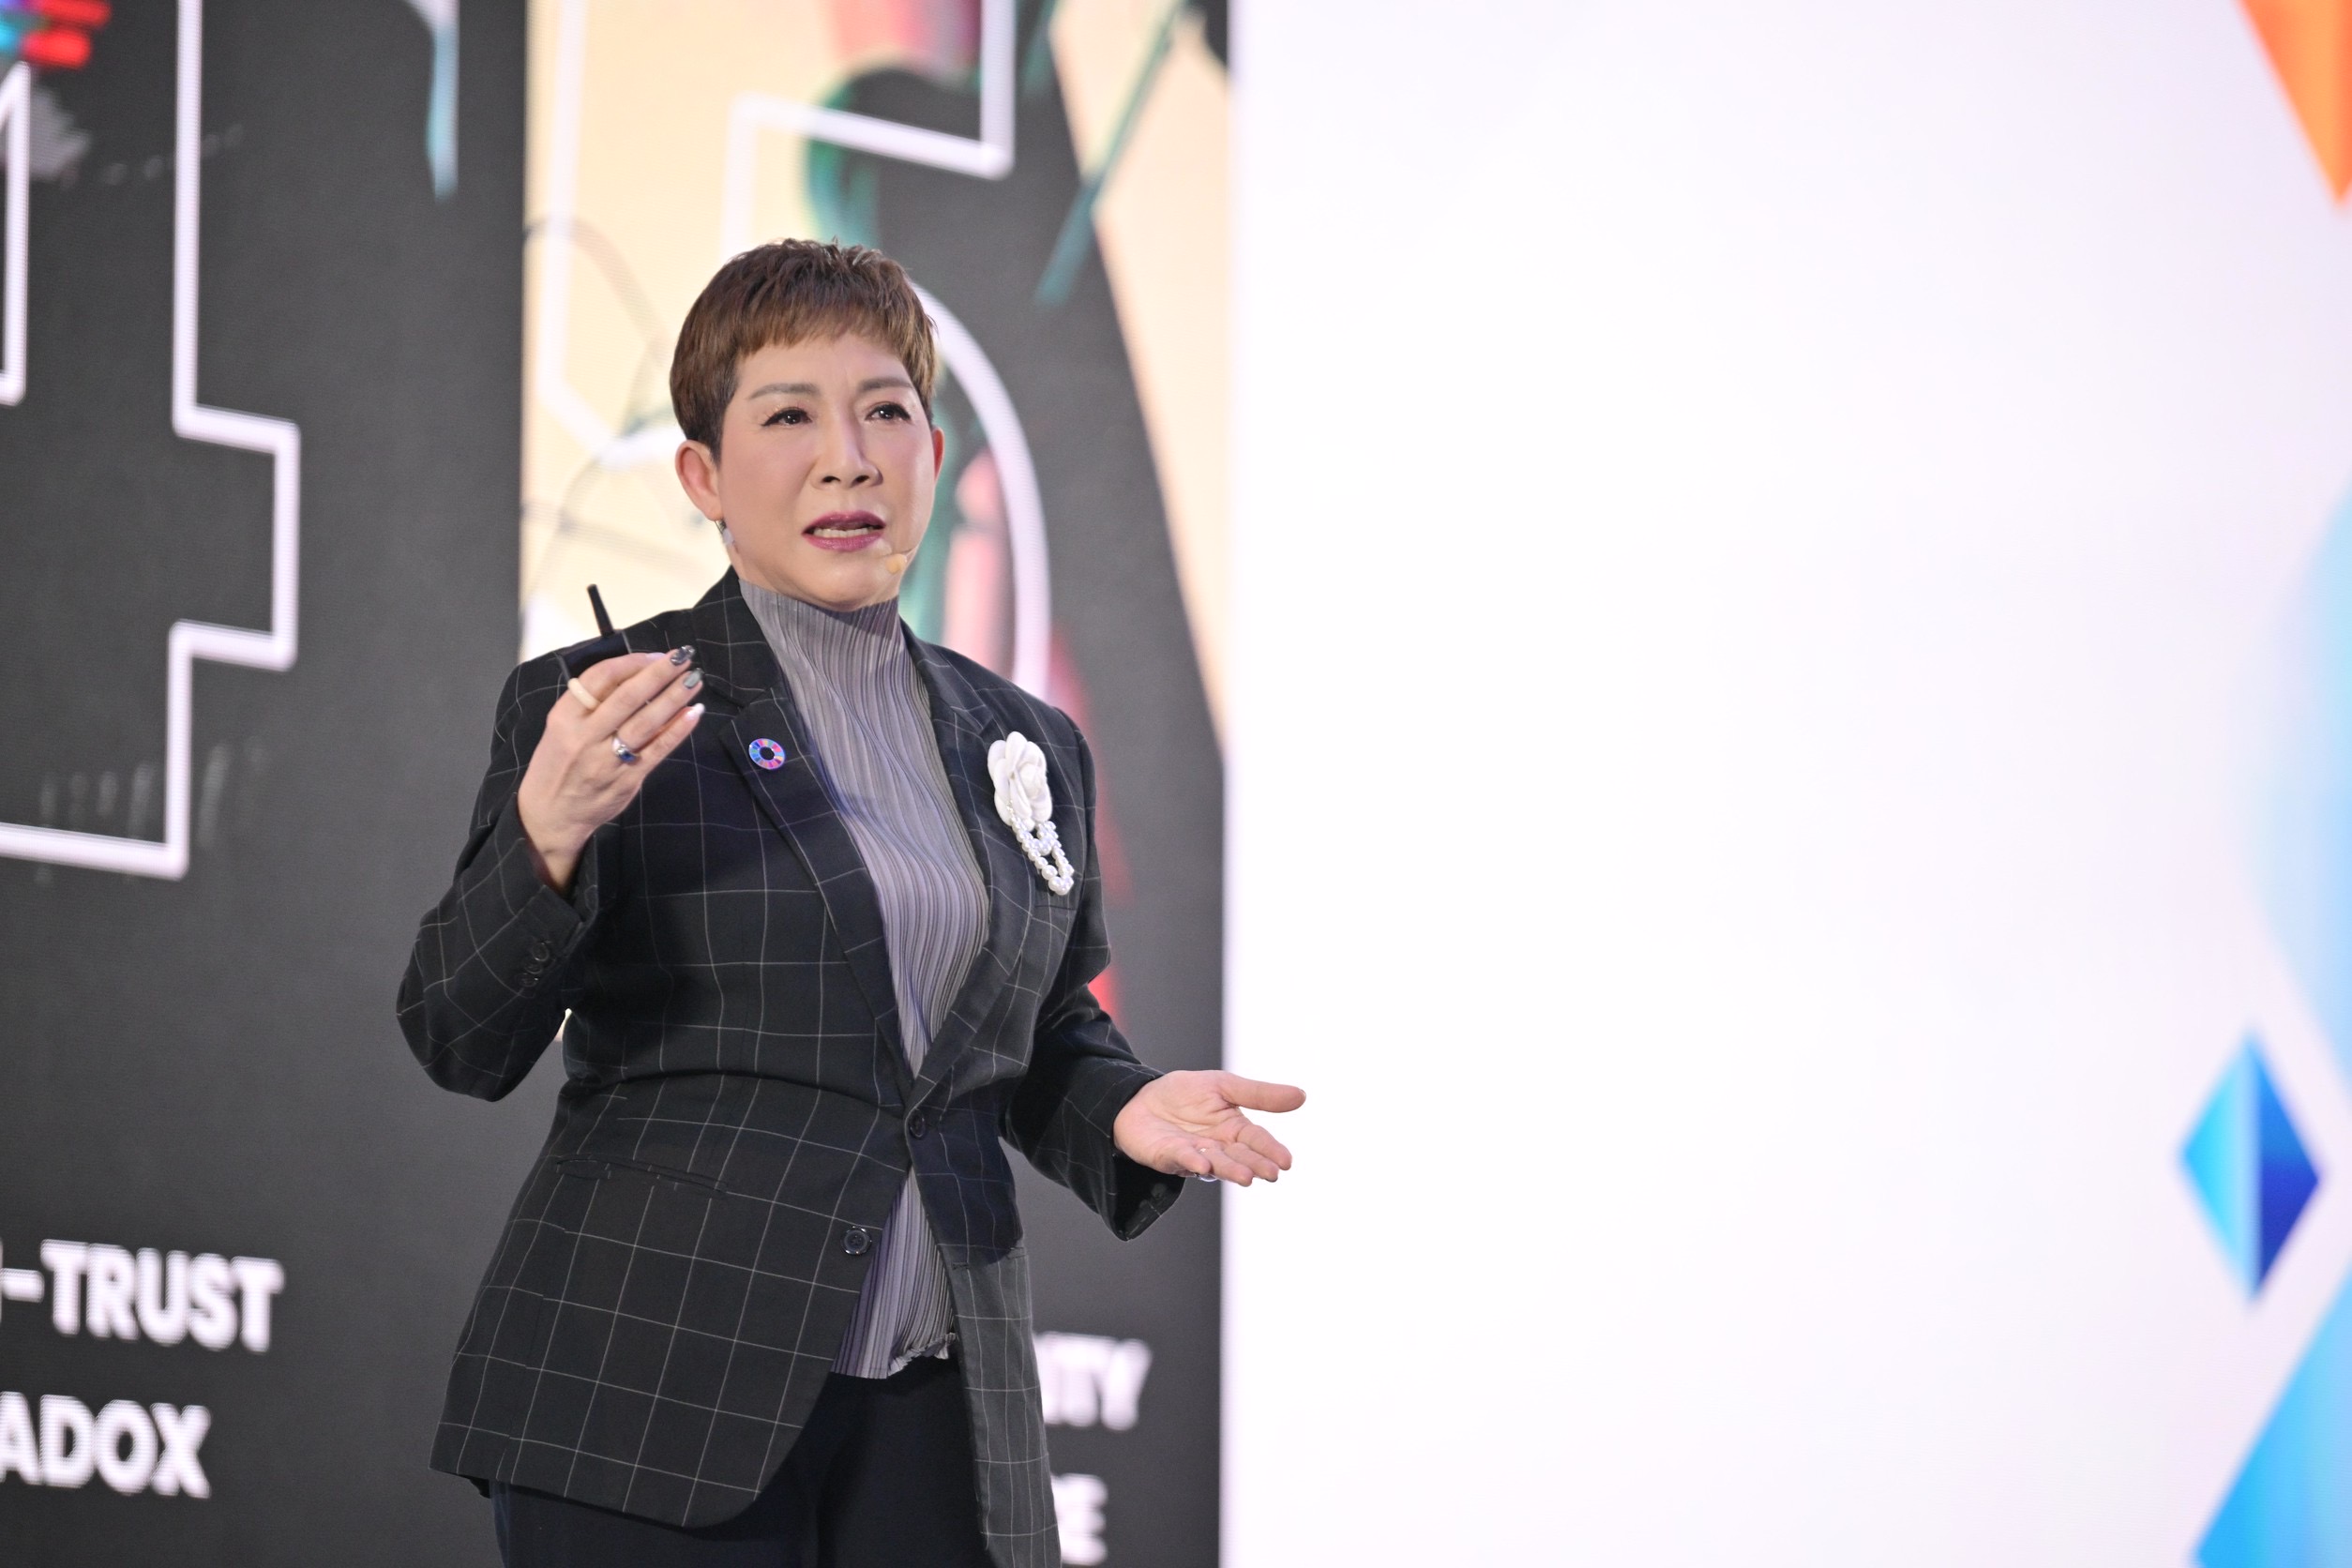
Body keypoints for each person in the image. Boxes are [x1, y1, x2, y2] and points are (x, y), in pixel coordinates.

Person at [397, 239, 1303, 1568]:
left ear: (931, 452)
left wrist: (1123, 1106)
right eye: (789, 417)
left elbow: (1037, 1035)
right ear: (702, 476)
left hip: (936, 1422)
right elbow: (456, 1035)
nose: (849, 459)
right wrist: (550, 832)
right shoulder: (602, 707)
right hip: (654, 1395)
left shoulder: (1027, 740)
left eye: (885, 412)